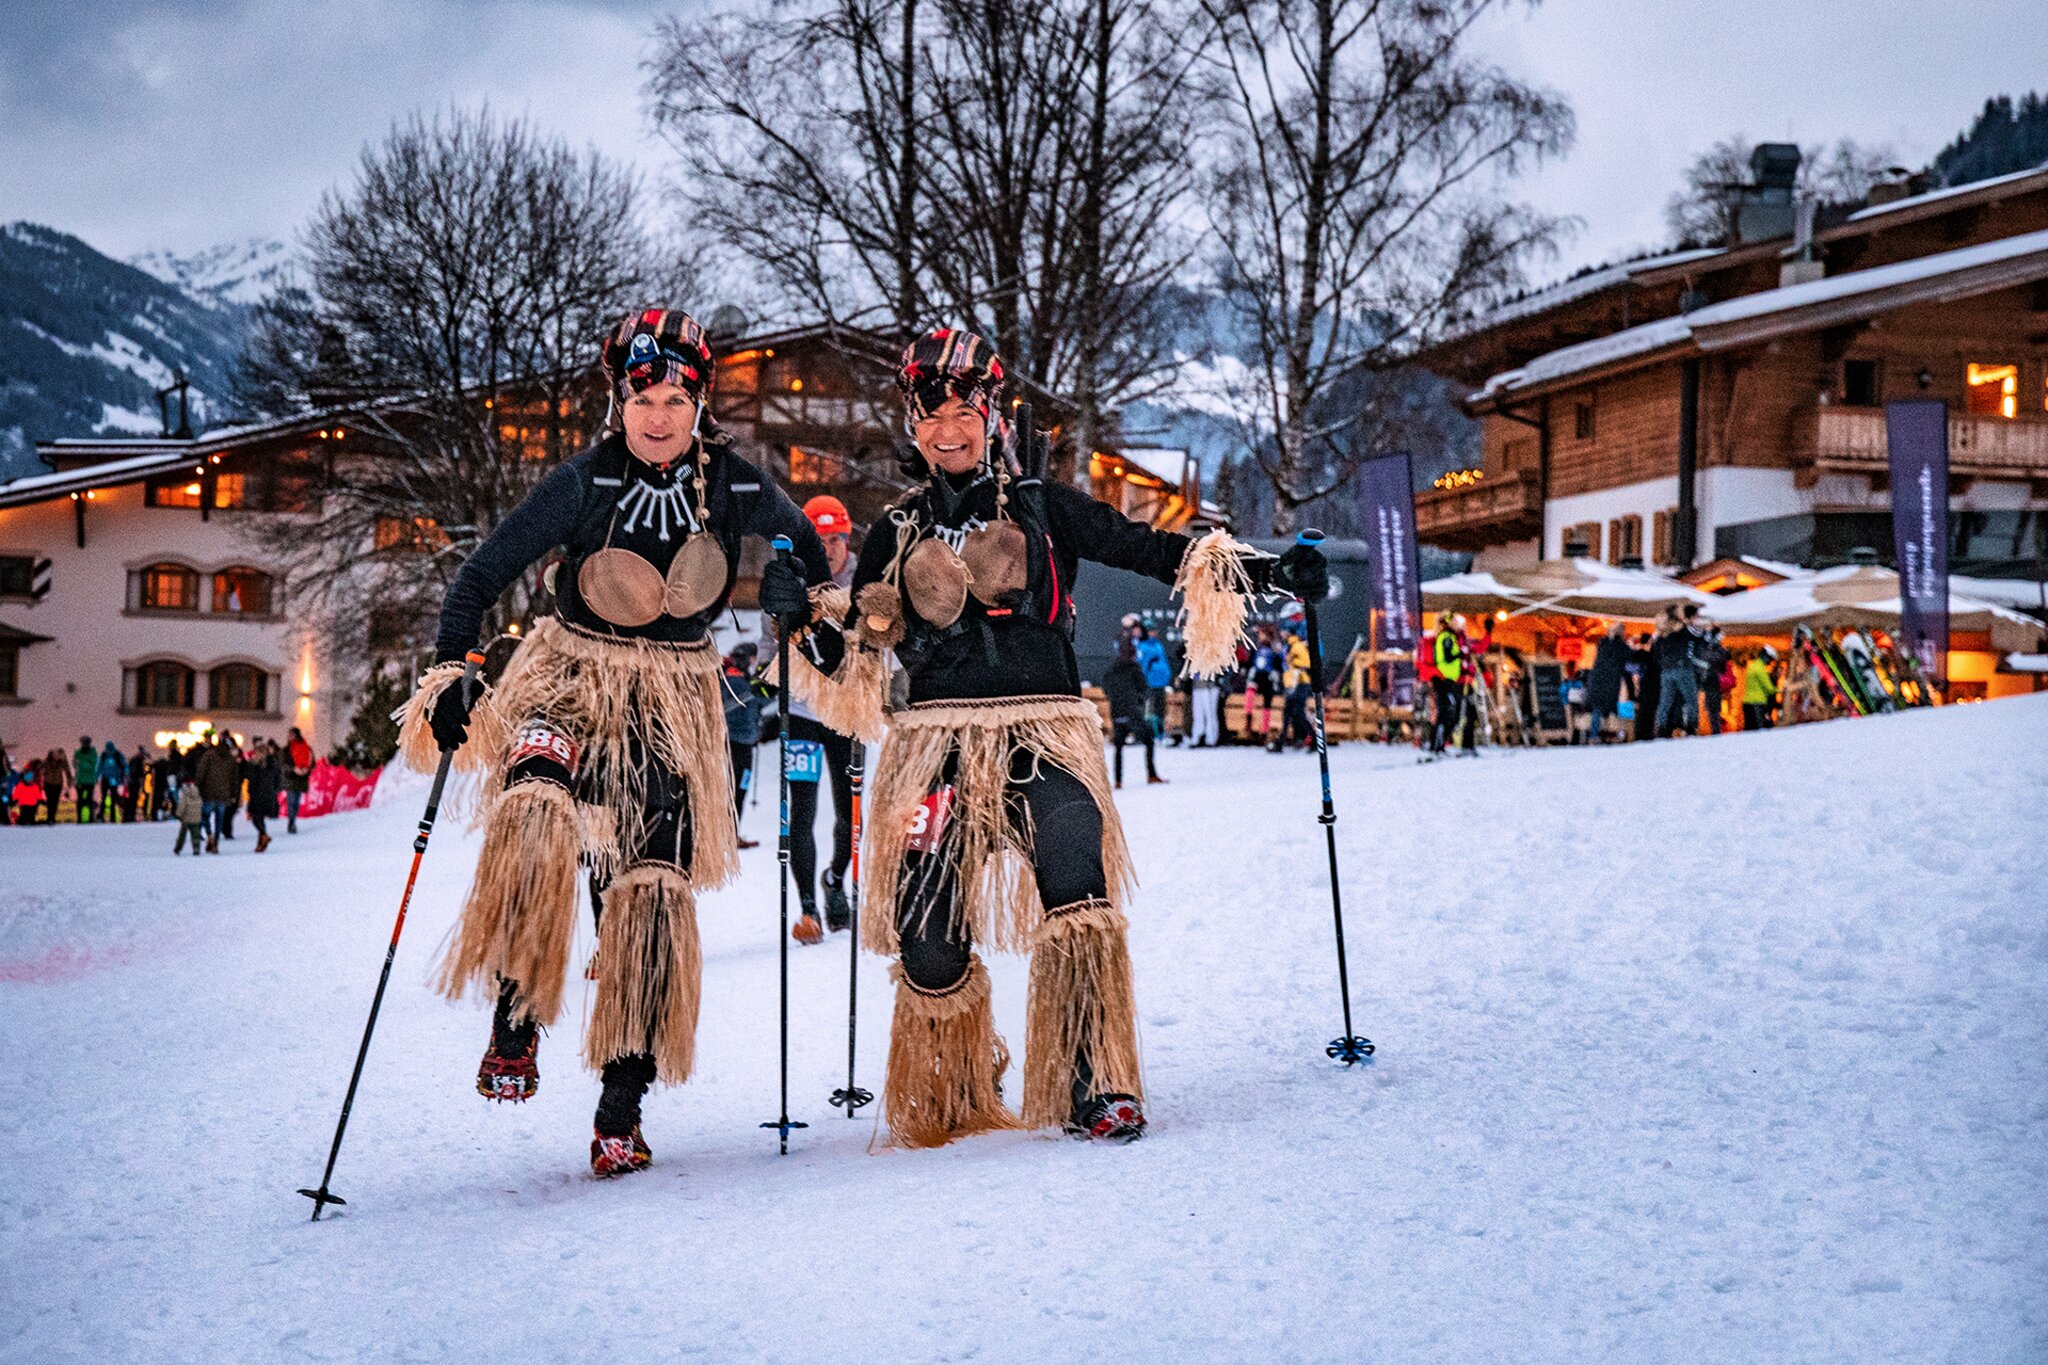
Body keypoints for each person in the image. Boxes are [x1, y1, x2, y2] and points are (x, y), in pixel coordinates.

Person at [778, 326, 1307, 1149]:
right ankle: (959, 1073)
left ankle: (1094, 1078)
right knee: (927, 941)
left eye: (963, 412)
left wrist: (1270, 571)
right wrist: (798, 617)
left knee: (1075, 871)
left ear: (990, 416)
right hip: (936, 751)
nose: (947, 431)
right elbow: (851, 657)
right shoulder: (896, 528)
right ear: (912, 424)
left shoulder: (1043, 506)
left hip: (1042, 736)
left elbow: (1150, 548)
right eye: (930, 415)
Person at [397, 307, 830, 1178]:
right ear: (618, 402)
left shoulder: (735, 483)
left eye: (675, 400)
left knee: (648, 896)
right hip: (570, 679)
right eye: (643, 400)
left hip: (670, 699)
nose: (658, 417)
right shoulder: (583, 480)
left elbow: (811, 558)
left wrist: (795, 592)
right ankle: (517, 1010)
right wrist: (453, 672)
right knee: (534, 807)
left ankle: (619, 1110)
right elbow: (479, 575)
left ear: (699, 403)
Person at [780, 494, 861, 945]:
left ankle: (835, 879)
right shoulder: (792, 577)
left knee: (849, 813)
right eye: (820, 539)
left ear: (847, 540)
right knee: (802, 811)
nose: (828, 549)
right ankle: (808, 906)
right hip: (803, 713)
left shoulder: (864, 580)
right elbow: (773, 641)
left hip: (846, 714)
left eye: (835, 540)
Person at [719, 642, 764, 850]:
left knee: (735, 789)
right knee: (736, 790)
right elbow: (749, 703)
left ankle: (729, 833)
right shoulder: (736, 679)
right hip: (737, 743)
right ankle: (729, 834)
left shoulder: (735, 677)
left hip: (738, 742)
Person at [1103, 638, 1162, 787]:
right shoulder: (1134, 668)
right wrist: (1139, 701)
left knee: (1118, 746)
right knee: (1148, 739)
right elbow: (1143, 689)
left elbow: (1106, 688)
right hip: (1132, 711)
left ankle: (1118, 781)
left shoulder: (1111, 670)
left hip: (1116, 711)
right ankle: (1152, 774)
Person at [1654, 605, 1703, 738]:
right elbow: (1699, 638)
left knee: (1665, 702)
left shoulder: (1662, 632)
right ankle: (1691, 728)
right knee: (1691, 699)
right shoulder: (1684, 629)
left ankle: (1660, 728)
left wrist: (1664, 664)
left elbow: (1656, 652)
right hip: (1683, 668)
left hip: (1666, 671)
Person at [194, 734, 240, 853]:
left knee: (204, 816)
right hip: (224, 794)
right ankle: (216, 842)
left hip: (209, 792)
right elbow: (235, 779)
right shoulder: (231, 759)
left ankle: (209, 835)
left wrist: (198, 786)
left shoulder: (209, 755)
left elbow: (201, 772)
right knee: (219, 821)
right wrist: (234, 795)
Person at [1585, 622, 1628, 744]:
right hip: (1611, 681)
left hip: (1596, 680)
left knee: (1597, 710)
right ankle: (1618, 734)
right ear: (1621, 633)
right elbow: (1630, 658)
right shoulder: (1620, 646)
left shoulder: (1602, 643)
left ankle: (1594, 736)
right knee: (1615, 709)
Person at [1430, 616, 1466, 756]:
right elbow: (1447, 657)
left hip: (1449, 679)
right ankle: (1436, 745)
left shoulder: (1450, 636)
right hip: (1444, 679)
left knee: (1450, 712)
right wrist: (1460, 654)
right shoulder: (1446, 637)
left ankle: (1439, 745)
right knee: (1447, 712)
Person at [1243, 623, 1283, 747]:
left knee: (1267, 704)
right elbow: (1250, 661)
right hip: (1257, 675)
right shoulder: (1257, 647)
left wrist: (1276, 674)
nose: (1260, 637)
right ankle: (1248, 719)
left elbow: (1279, 662)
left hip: (1268, 677)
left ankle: (1264, 731)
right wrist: (1247, 669)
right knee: (1249, 692)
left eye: (1261, 634)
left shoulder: (1273, 647)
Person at [1133, 625, 1171, 740]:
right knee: (1148, 710)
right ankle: (1147, 733)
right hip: (1149, 682)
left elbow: (1163, 662)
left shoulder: (1159, 645)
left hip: (1161, 683)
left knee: (1160, 709)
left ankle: (1160, 733)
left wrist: (1167, 675)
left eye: (1154, 631)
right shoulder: (1142, 646)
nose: (1153, 633)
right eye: (1150, 631)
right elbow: (1141, 664)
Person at [1280, 628, 1314, 750]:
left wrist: (1294, 662)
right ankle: (1283, 741)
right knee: (1288, 713)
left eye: (1284, 632)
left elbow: (1307, 663)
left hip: (1300, 682)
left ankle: (1313, 739)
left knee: (1298, 713)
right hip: (1292, 683)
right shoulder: (1289, 646)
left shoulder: (1297, 646)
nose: (1281, 634)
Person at [247, 740, 282, 852]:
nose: (256, 754)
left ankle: (264, 835)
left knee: (256, 818)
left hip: (260, 794)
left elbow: (253, 779)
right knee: (259, 818)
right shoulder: (270, 763)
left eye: (258, 752)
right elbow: (278, 779)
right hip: (264, 794)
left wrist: (252, 765)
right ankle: (261, 842)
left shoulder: (261, 765)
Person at [1699, 624, 1730, 736]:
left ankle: (1714, 729)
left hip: (1709, 680)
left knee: (1712, 707)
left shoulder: (1705, 649)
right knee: (1714, 708)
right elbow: (1722, 665)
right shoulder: (1718, 650)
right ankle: (1715, 729)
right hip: (1713, 681)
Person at [284, 728, 314, 833]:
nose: (289, 737)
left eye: (291, 735)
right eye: (289, 735)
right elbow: (283, 764)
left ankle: (292, 820)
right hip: (290, 779)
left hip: (301, 779)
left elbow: (312, 762)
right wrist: (293, 769)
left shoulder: (307, 748)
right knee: (291, 801)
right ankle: (291, 822)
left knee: (296, 802)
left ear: (297, 735)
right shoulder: (286, 750)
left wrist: (307, 769)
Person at [1742, 647, 1779, 730]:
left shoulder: (1751, 666)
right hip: (1757, 703)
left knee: (1748, 728)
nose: (1770, 662)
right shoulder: (1760, 669)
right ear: (1767, 657)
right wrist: (1780, 690)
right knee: (1758, 729)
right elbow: (1769, 688)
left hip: (1747, 701)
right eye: (1770, 659)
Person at [172, 780, 204, 855]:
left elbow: (181, 806)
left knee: (182, 835)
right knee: (195, 835)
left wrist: (178, 814)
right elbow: (200, 805)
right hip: (196, 819)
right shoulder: (198, 795)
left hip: (186, 819)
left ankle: (178, 848)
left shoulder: (185, 795)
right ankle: (196, 848)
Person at [96, 739, 124, 821]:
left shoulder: (105, 755)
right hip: (112, 779)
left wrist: (96, 777)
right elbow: (124, 766)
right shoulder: (115, 754)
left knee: (106, 798)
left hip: (108, 779)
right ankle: (112, 817)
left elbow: (99, 767)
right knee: (111, 798)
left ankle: (103, 816)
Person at [71, 736, 98, 823]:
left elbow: (93, 765)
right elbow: (74, 764)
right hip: (81, 780)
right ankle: (80, 818)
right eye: (83, 742)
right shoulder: (78, 752)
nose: (85, 744)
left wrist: (81, 763)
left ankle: (90, 818)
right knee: (80, 800)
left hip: (89, 780)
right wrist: (85, 763)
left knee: (89, 800)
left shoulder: (92, 752)